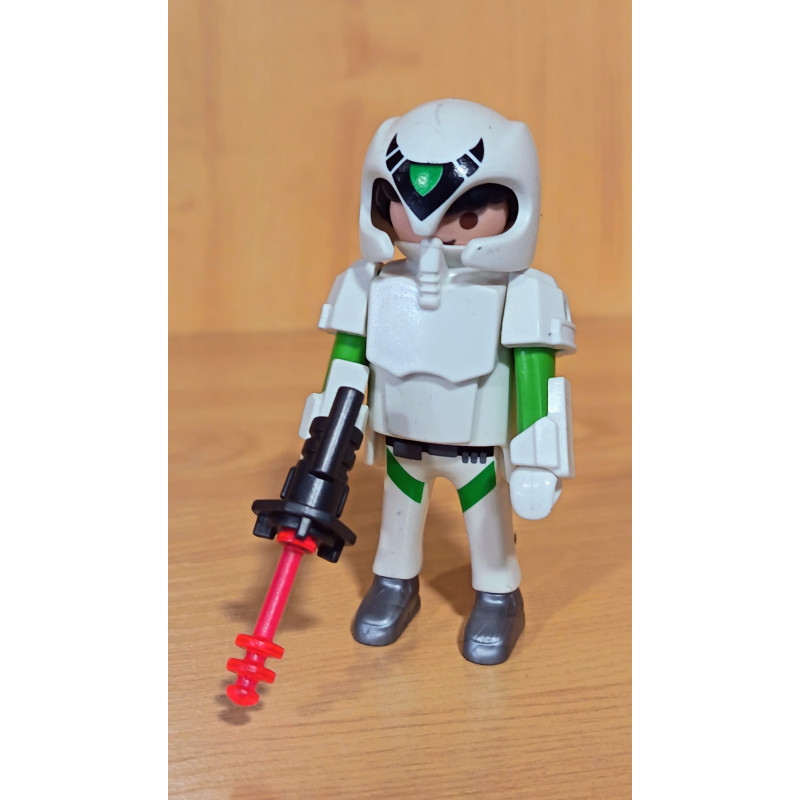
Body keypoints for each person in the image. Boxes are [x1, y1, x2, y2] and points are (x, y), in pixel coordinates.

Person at [298, 99, 576, 664]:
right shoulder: (369, 284)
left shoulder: (523, 293)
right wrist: (324, 438)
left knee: (488, 527)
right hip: (404, 446)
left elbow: (537, 380)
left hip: (478, 453)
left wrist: (538, 460)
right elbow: (348, 366)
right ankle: (394, 584)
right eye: (406, 209)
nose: (432, 232)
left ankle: (498, 595)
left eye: (465, 214)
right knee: (397, 525)